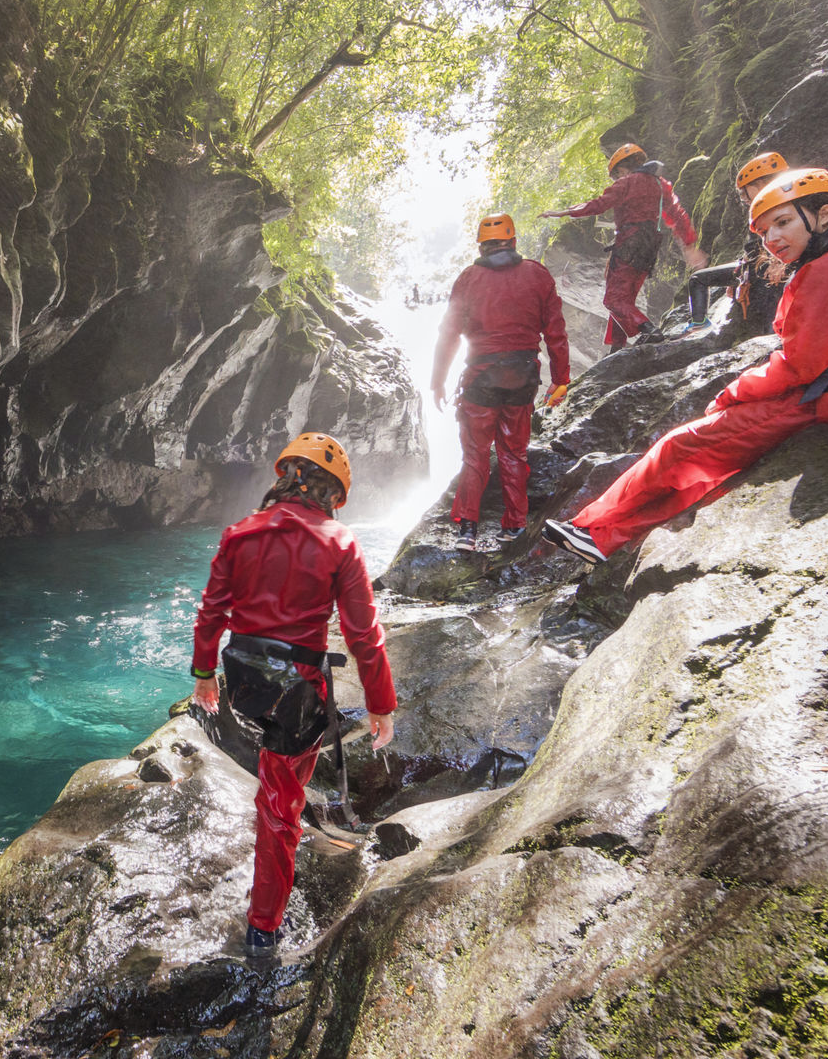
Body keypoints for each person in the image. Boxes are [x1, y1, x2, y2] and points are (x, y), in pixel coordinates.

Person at [541, 168, 828, 564]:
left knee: (684, 445)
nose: (772, 240)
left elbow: (800, 364)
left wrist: (734, 392)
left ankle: (592, 529)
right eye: (765, 232)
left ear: (823, 215)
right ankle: (607, 535)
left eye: (782, 223)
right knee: (715, 459)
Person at [188, 432, 396, 961]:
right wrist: (380, 704)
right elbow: (362, 635)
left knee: (277, 790)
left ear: (284, 477)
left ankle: (279, 856)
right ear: (332, 492)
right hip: (298, 693)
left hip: (246, 685)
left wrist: (204, 675)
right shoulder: (338, 542)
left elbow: (212, 612)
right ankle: (264, 928)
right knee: (280, 807)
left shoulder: (239, 533)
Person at [431, 214, 572, 550]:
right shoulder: (537, 275)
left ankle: (468, 530)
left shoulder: (468, 278)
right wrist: (561, 379)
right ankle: (515, 526)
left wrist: (437, 381)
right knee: (513, 453)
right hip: (522, 378)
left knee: (476, 455)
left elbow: (448, 334)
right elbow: (555, 331)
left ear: (481, 245)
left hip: (481, 379)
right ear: (513, 242)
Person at [541, 143, 708, 350]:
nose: (616, 179)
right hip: (650, 249)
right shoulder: (660, 184)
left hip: (629, 244)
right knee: (624, 299)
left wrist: (564, 212)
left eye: (615, 176)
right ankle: (616, 348)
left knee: (613, 300)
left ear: (621, 170)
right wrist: (689, 246)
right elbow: (676, 215)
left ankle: (648, 329)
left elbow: (599, 204)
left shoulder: (627, 183)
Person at [679, 151, 791, 337]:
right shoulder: (773, 205)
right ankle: (699, 324)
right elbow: (754, 248)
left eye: (744, 191)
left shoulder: (775, 206)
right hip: (756, 267)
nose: (742, 197)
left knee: (768, 298)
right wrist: (740, 272)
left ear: (760, 184)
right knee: (697, 279)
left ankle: (770, 338)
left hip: (768, 270)